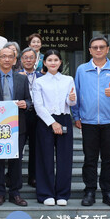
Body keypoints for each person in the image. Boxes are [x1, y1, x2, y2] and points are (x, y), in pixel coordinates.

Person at [72, 36, 110, 208]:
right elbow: (76, 93)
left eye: (101, 47)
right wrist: (76, 116)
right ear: (89, 50)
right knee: (89, 159)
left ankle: (108, 193)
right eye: (94, 47)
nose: (98, 50)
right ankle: (89, 191)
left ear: (107, 49)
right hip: (88, 121)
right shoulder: (82, 70)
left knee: (109, 159)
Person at [0, 47, 31, 207]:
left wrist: (26, 104)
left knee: (16, 161)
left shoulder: (21, 79)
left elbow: (29, 101)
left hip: (18, 126)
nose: (7, 59)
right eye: (4, 56)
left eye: (10, 57)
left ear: (15, 60)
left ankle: (15, 193)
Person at [32, 49, 76, 206]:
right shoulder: (39, 81)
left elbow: (71, 103)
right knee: (45, 158)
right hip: (45, 121)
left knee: (65, 158)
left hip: (64, 118)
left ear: (60, 62)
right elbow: (38, 105)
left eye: (56, 60)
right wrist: (52, 123)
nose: (52, 62)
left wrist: (71, 99)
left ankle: (63, 194)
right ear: (44, 62)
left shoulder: (68, 79)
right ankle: (46, 194)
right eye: (49, 60)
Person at [18, 47, 44, 188]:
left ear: (36, 60)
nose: (28, 60)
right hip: (19, 114)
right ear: (21, 60)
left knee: (35, 148)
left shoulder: (42, 77)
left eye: (31, 58)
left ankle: (33, 177)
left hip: (37, 115)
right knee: (18, 148)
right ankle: (14, 176)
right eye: (25, 58)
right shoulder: (15, 75)